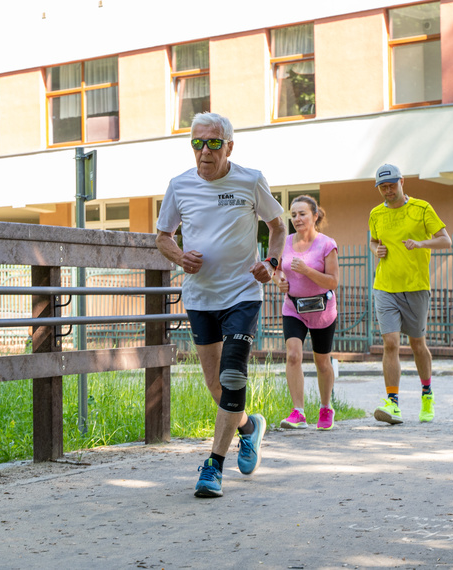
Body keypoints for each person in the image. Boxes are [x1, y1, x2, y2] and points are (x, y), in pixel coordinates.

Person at [156, 112, 287, 498]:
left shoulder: (249, 179)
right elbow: (163, 236)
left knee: (232, 377)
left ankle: (213, 466)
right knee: (215, 384)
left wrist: (272, 263)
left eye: (213, 143)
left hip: (242, 294)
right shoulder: (179, 186)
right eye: (197, 143)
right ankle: (249, 428)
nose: (204, 151)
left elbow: (279, 227)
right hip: (200, 297)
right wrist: (180, 258)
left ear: (229, 146)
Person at [368, 164, 451, 425]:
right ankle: (392, 404)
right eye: (383, 187)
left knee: (417, 344)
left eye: (392, 185)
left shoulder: (422, 209)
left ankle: (427, 393)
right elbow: (373, 240)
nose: (388, 190)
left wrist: (422, 243)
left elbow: (446, 240)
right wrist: (376, 250)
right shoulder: (376, 214)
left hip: (416, 287)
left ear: (402, 181)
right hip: (385, 286)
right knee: (390, 342)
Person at [274, 195, 340, 431]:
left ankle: (326, 408)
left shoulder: (326, 244)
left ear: (315, 216)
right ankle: (298, 412)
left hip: (322, 310)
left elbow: (333, 282)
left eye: (302, 214)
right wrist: (279, 281)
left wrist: (307, 270)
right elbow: (277, 269)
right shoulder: (285, 242)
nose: (297, 219)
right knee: (293, 355)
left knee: (322, 361)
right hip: (294, 307)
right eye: (293, 215)